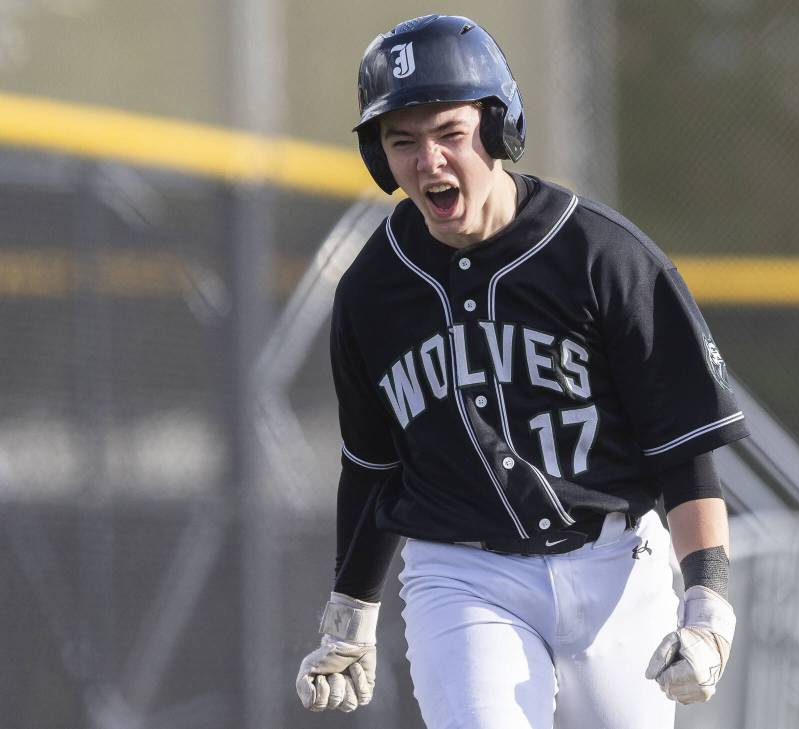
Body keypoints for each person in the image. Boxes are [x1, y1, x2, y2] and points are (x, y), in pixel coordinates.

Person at [295, 14, 749, 729]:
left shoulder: (603, 257)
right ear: (380, 158)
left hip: (615, 563)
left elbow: (683, 452)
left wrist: (708, 600)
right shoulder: (373, 292)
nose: (428, 161)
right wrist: (352, 610)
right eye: (401, 140)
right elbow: (375, 467)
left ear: (500, 129)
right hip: (464, 575)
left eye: (450, 132)